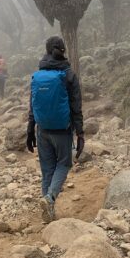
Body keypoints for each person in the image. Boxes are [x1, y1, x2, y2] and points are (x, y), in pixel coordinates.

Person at [26, 36, 84, 223]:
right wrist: (80, 132)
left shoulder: (37, 75)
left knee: (47, 169)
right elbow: (76, 106)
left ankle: (48, 212)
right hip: (62, 129)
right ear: (63, 51)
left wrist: (30, 129)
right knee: (64, 164)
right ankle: (49, 198)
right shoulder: (68, 75)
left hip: (42, 129)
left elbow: (32, 104)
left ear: (46, 50)